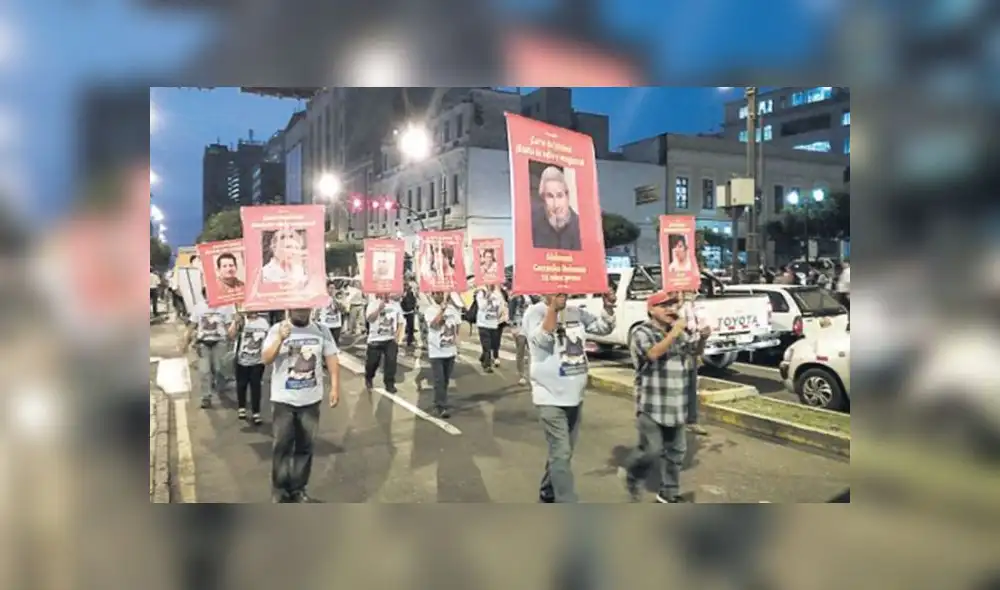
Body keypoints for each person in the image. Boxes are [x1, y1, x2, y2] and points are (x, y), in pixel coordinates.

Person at [522, 290, 616, 503]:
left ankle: (548, 489)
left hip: (575, 395)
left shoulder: (576, 312)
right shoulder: (534, 313)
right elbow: (541, 342)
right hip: (549, 396)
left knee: (562, 452)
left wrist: (608, 307)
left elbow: (603, 328)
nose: (561, 292)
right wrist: (553, 309)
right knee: (561, 452)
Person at [623, 291, 711, 503]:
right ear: (651, 310)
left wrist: (703, 338)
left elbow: (693, 352)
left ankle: (668, 494)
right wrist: (675, 332)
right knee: (652, 450)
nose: (670, 309)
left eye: (672, 305)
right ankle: (633, 474)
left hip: (676, 403)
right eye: (664, 306)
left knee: (677, 453)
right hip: (652, 404)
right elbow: (652, 354)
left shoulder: (677, 332)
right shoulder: (641, 332)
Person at [261, 309, 340, 503]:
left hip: (310, 401)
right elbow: (266, 359)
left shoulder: (321, 330)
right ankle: (279, 490)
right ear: (290, 307)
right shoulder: (277, 329)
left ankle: (298, 489)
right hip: (283, 401)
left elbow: (331, 358)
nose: (301, 312)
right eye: (297, 308)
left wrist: (335, 387)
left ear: (310, 308)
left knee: (305, 448)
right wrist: (280, 338)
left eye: (305, 308)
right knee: (282, 447)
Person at [185, 288, 236, 409]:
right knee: (204, 370)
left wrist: (234, 329)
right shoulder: (198, 307)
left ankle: (219, 385)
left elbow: (229, 326)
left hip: (220, 342)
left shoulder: (225, 307)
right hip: (203, 343)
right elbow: (192, 325)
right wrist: (186, 341)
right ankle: (206, 396)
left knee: (219, 369)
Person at [423, 291, 462, 418]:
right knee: (439, 380)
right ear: (432, 295)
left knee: (445, 380)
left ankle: (439, 400)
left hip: (450, 350)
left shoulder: (453, 310)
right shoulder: (429, 310)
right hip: (436, 351)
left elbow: (457, 325)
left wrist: (457, 339)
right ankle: (441, 406)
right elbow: (434, 325)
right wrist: (442, 311)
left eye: (441, 293)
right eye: (436, 294)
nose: (439, 296)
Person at [229, 307, 269, 425]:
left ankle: (256, 412)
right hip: (242, 360)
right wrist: (236, 322)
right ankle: (242, 407)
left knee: (256, 385)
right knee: (241, 384)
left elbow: (268, 339)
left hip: (258, 361)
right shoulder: (241, 320)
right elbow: (231, 335)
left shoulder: (264, 322)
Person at [531, 166, 582, 251]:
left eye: (560, 196)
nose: (556, 204)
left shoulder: (579, 226)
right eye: (550, 196)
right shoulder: (533, 222)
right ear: (543, 199)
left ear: (567, 196)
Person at [364, 294, 404, 393]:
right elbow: (369, 319)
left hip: (390, 339)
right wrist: (378, 309)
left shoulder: (396, 305)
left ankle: (389, 384)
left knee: (391, 362)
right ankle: (369, 377)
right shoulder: (373, 304)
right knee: (372, 363)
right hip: (375, 340)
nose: (387, 294)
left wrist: (397, 337)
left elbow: (400, 321)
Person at [508, 293, 540, 385]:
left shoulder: (532, 296)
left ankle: (533, 375)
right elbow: (511, 313)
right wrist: (513, 327)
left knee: (533, 352)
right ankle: (522, 375)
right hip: (520, 327)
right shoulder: (515, 297)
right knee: (520, 352)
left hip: (531, 327)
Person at [475, 284, 507, 372]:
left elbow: (501, 308)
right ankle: (487, 365)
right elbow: (481, 307)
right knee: (486, 345)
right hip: (483, 324)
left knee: (493, 344)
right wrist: (488, 296)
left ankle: (483, 357)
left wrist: (499, 317)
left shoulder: (498, 294)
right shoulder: (481, 293)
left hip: (494, 323)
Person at [401, 283, 418, 349]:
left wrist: (414, 308)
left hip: (410, 311)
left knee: (411, 327)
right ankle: (401, 340)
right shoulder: (401, 293)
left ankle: (409, 342)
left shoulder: (411, 294)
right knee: (401, 326)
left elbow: (414, 301)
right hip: (403, 311)